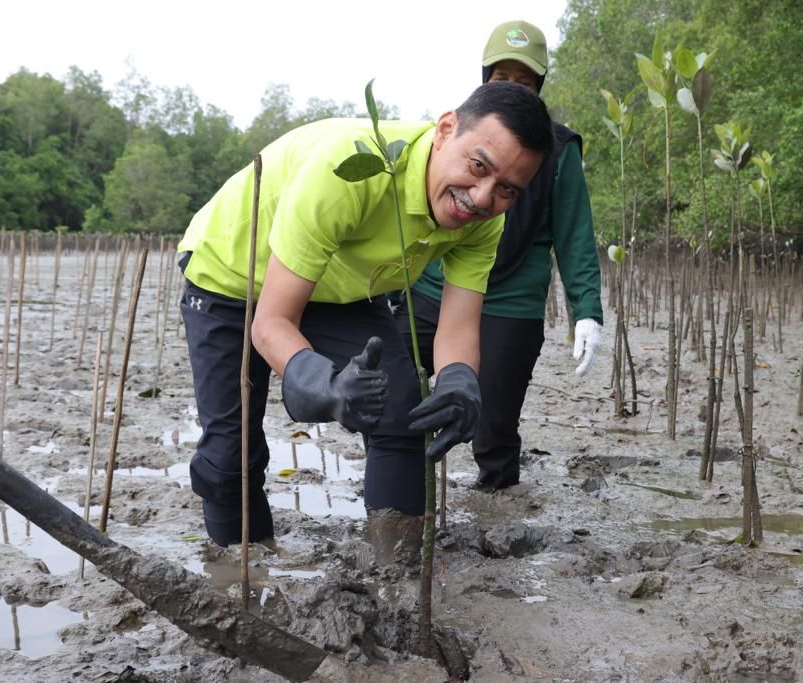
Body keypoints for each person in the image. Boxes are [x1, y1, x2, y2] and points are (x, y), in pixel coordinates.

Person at [177, 81, 553, 547]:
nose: (481, 198)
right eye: (477, 166)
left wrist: (460, 381)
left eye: (507, 190)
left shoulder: (486, 219)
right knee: (231, 454)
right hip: (231, 278)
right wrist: (325, 384)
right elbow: (271, 324)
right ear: (445, 128)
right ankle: (239, 577)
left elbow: (457, 328)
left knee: (400, 408)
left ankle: (394, 571)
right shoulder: (350, 171)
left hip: (341, 288)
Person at [395, 20, 603, 491]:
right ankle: (404, 493)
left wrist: (586, 310)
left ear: (540, 87)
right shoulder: (461, 130)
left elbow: (575, 234)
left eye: (525, 82)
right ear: (485, 80)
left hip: (511, 299)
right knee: (399, 395)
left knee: (494, 428)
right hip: (434, 287)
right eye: (501, 80)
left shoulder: (560, 149)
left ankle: (496, 508)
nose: (514, 89)